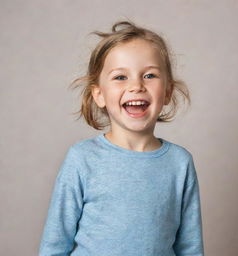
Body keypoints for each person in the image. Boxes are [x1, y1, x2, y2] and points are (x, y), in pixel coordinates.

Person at [39, 20, 205, 256]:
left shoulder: (180, 163)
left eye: (149, 75)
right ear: (99, 95)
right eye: (120, 77)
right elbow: (55, 243)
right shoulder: (82, 159)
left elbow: (190, 246)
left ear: (167, 92)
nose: (136, 86)